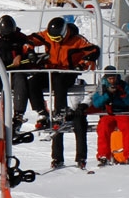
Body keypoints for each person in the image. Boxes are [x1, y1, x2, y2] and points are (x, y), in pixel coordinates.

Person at [29, 18, 100, 168]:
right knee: (33, 82)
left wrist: (84, 62)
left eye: (58, 38)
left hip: (68, 72)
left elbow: (93, 49)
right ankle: (41, 111)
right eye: (53, 38)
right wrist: (29, 50)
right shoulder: (47, 36)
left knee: (60, 83)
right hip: (51, 70)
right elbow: (32, 39)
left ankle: (59, 113)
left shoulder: (76, 40)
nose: (56, 41)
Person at [0, 15, 42, 129]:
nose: (7, 38)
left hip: (16, 71)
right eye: (4, 36)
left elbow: (28, 47)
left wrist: (22, 56)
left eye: (9, 36)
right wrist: (2, 66)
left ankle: (18, 114)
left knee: (21, 80)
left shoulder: (20, 37)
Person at [87, 70, 129, 167]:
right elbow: (96, 103)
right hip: (108, 114)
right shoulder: (101, 87)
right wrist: (107, 95)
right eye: (110, 78)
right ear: (106, 78)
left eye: (114, 78)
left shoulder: (123, 85)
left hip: (122, 112)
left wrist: (123, 94)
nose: (112, 81)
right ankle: (103, 156)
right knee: (103, 128)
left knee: (128, 127)